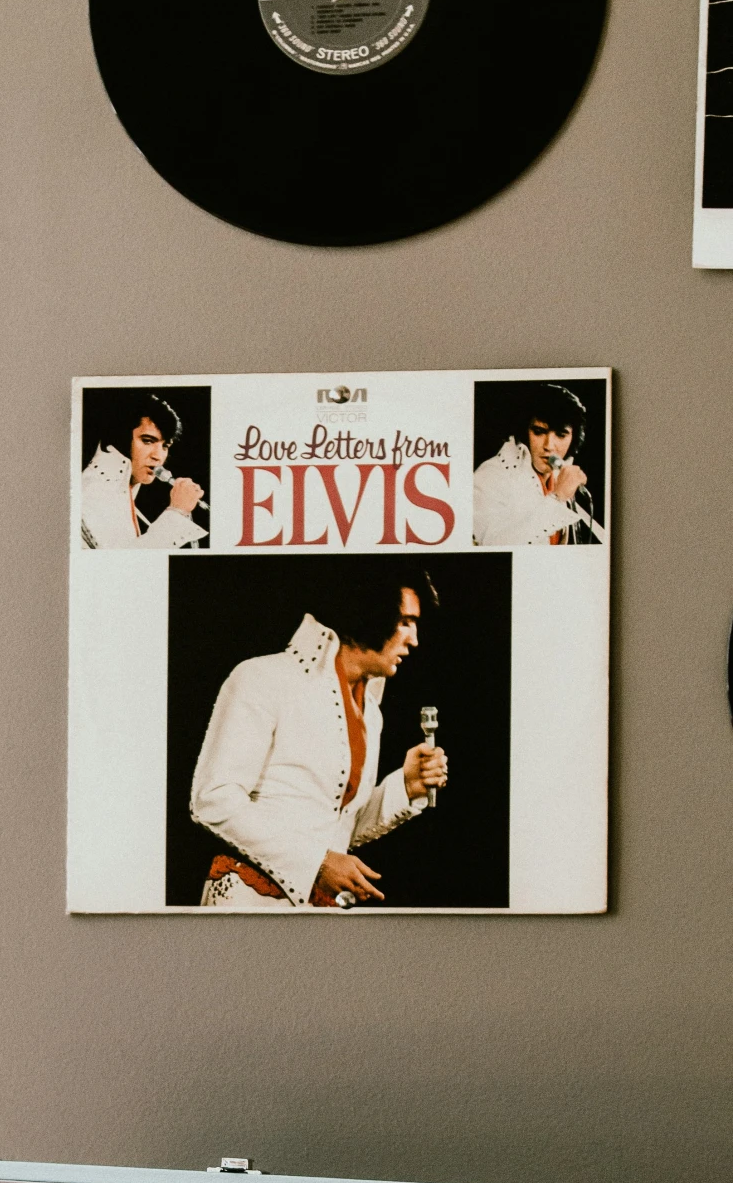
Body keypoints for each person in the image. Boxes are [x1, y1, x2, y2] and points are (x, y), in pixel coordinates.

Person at [189, 574, 449, 910]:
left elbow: (337, 827)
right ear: (372, 613)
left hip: (317, 911)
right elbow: (213, 799)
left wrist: (405, 786)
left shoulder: (371, 712)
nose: (414, 640)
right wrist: (316, 863)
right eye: (405, 622)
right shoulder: (263, 678)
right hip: (250, 902)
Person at [473, 385, 598, 547]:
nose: (549, 446)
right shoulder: (491, 475)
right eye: (539, 432)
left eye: (560, 435)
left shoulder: (558, 477)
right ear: (525, 432)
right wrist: (557, 498)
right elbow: (491, 545)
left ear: (573, 439)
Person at [80, 392, 207, 550]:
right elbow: (126, 566)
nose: (158, 456)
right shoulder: (96, 489)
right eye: (147, 441)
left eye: (165, 446)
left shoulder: (117, 492)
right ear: (121, 438)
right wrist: (177, 511)